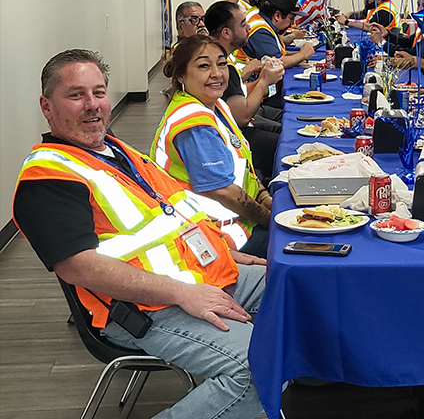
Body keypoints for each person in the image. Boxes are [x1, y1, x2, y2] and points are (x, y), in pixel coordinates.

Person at [13, 49, 270, 419]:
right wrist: (184, 292)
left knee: (297, 288)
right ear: (47, 106)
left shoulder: (116, 152)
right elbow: (79, 268)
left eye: (99, 92)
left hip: (205, 274)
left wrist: (223, 250)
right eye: (76, 95)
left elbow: (176, 216)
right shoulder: (48, 177)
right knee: (256, 370)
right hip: (145, 306)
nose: (92, 105)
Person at [151, 36, 274, 257]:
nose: (217, 73)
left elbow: (244, 168)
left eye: (222, 63)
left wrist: (266, 199)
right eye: (204, 66)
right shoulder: (193, 124)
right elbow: (223, 191)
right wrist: (268, 219)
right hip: (211, 236)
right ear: (181, 75)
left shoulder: (217, 105)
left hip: (237, 221)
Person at [204, 1, 285, 179]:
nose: (249, 27)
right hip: (231, 136)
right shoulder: (222, 65)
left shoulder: (222, 57)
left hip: (228, 128)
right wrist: (264, 81)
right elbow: (241, 117)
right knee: (285, 144)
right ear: (226, 33)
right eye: (242, 24)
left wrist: (263, 77)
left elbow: (235, 94)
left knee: (286, 126)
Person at [240, 0, 315, 71]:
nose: (293, 24)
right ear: (277, 16)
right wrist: (303, 54)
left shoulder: (262, 20)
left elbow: (277, 51)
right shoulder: (261, 31)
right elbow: (278, 62)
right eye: (291, 19)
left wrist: (299, 54)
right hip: (244, 79)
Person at [336, 0, 401, 31]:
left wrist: (346, 22)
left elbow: (369, 27)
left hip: (388, 43)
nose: (367, 0)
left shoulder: (384, 12)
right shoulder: (379, 5)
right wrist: (349, 14)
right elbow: (364, 13)